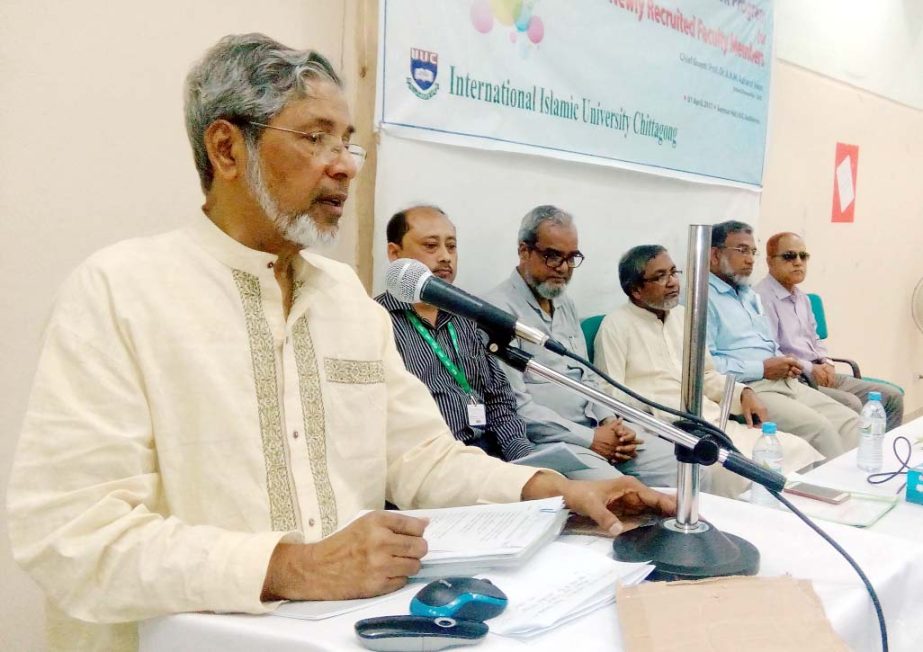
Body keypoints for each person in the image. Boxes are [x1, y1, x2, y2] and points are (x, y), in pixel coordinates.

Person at [5, 35, 676, 652]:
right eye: (316, 138)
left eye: (347, 142)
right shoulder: (120, 292)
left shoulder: (344, 300)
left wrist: (556, 490)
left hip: (344, 633)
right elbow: (68, 532)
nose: (345, 168)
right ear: (226, 148)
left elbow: (420, 458)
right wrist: (288, 566)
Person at [594, 245, 824, 497]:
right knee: (735, 473)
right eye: (661, 277)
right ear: (636, 290)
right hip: (669, 432)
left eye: (674, 273)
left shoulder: (685, 316)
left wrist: (742, 393)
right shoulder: (615, 326)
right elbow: (611, 394)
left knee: (796, 449)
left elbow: (707, 376)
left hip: (712, 422)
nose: (672, 283)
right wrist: (656, 411)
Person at [487, 205, 678, 486]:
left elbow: (587, 376)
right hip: (554, 441)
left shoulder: (564, 302)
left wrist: (609, 422)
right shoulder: (496, 311)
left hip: (598, 428)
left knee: (686, 469)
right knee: (623, 494)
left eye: (571, 258)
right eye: (553, 257)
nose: (563, 269)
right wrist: (590, 439)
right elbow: (515, 407)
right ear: (524, 251)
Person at [375, 205, 534, 461]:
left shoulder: (469, 318)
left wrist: (526, 462)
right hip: (429, 465)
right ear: (395, 253)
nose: (445, 257)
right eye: (431, 246)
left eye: (451, 246)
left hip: (491, 460)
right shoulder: (375, 320)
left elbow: (500, 403)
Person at [706, 220, 859, 459]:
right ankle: (836, 493)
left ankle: (865, 488)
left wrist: (785, 362)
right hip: (750, 388)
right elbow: (708, 367)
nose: (750, 259)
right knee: (820, 430)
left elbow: (771, 343)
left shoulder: (748, 295)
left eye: (752, 252)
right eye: (742, 250)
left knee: (850, 421)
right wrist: (763, 368)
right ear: (715, 255)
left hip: (786, 380)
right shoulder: (702, 299)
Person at [755, 232, 903, 431]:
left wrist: (827, 362)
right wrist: (810, 368)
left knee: (892, 397)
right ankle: (853, 458)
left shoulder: (802, 298)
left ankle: (881, 455)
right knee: (852, 404)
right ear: (770, 262)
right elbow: (770, 351)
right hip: (795, 379)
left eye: (803, 256)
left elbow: (815, 339)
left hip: (821, 372)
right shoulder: (761, 298)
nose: (798, 262)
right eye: (789, 256)